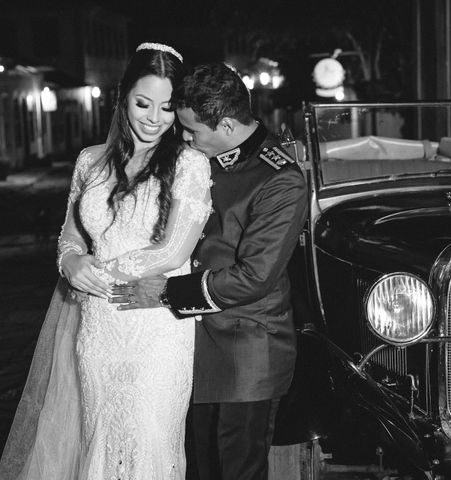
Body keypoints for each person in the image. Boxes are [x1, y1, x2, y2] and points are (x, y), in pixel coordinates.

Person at [0, 43, 212, 479]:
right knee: (99, 434)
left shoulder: (190, 163)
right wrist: (71, 263)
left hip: (154, 322)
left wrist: (103, 273)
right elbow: (72, 235)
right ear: (122, 98)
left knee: (150, 439)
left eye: (168, 107)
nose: (154, 117)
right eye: (142, 103)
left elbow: (175, 251)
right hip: (97, 325)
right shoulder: (90, 161)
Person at [110, 62, 308, 480]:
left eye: (192, 130)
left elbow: (255, 277)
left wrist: (165, 293)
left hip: (245, 351)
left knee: (234, 471)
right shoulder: (201, 154)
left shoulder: (280, 178)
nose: (183, 137)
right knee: (197, 467)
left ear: (228, 125)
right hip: (189, 343)